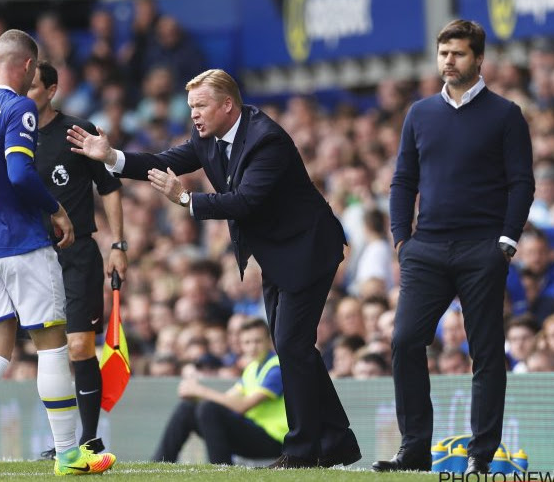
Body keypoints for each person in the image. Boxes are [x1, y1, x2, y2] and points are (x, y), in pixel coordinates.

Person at [68, 68, 361, 468]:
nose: (194, 115)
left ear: (227, 105)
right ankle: (336, 440)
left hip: (309, 249)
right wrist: (112, 157)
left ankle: (302, 450)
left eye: (201, 105)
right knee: (295, 348)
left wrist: (186, 201)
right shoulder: (206, 137)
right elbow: (162, 161)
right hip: (277, 254)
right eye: (190, 107)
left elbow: (244, 202)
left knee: (292, 346)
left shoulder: (267, 139)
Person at [0, 29, 115, 478]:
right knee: (52, 346)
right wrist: (57, 211)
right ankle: (70, 455)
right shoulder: (19, 109)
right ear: (29, 66)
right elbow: (18, 172)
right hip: (23, 245)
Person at [376, 20, 535, 475]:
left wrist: (504, 242)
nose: (449, 61)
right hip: (425, 249)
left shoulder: (506, 114)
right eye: (444, 53)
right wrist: (402, 239)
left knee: (486, 354)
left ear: (478, 58)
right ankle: (414, 451)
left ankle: (480, 458)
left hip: (481, 249)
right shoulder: (420, 113)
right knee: (405, 340)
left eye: (458, 54)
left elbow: (521, 182)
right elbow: (403, 179)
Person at [27, 60, 127, 459]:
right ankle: (65, 444)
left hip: (77, 254)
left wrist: (118, 244)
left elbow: (110, 185)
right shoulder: (10, 138)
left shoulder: (75, 132)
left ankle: (90, 438)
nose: (23, 93)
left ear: (51, 90)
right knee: (51, 352)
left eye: (32, 87)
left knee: (79, 347)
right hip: (33, 259)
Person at [152, 318, 286, 464]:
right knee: (188, 408)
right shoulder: (252, 368)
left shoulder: (276, 367)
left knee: (209, 408)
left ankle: (221, 469)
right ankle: (159, 462)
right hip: (254, 433)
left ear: (269, 341)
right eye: (247, 342)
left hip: (272, 440)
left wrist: (200, 390)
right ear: (241, 345)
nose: (252, 347)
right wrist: (196, 396)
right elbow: (226, 400)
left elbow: (242, 406)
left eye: (257, 341)